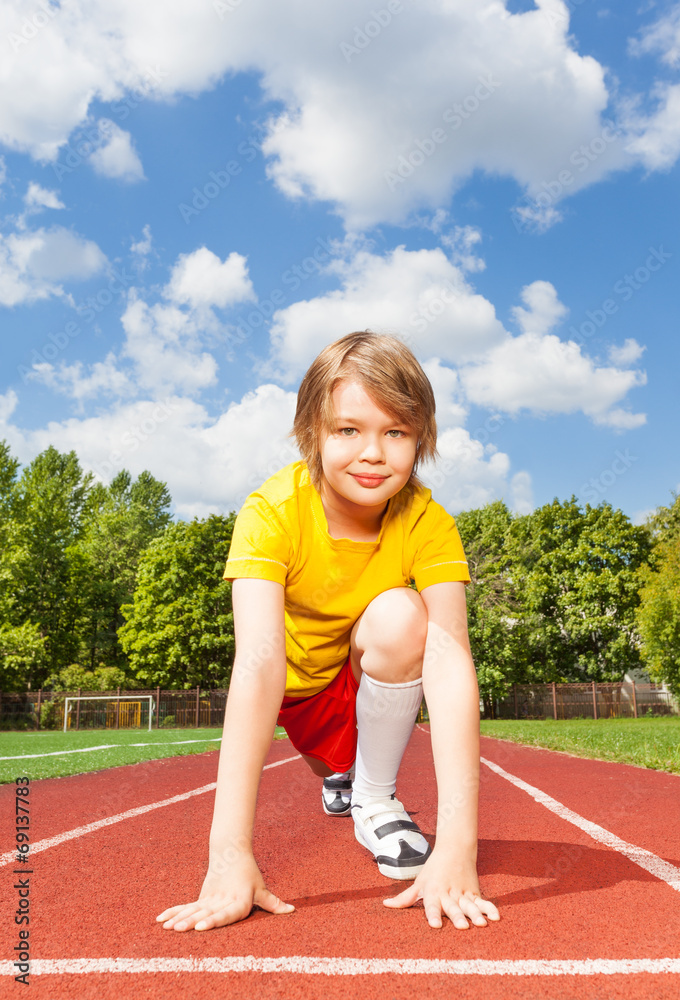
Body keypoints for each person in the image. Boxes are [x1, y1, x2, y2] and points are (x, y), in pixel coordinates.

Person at [157, 331, 500, 932]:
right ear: (309, 433)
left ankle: (374, 797)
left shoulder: (426, 521)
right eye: (348, 430)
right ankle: (341, 776)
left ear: (421, 440)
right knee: (330, 765)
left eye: (395, 432)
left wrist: (458, 846)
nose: (373, 453)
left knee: (404, 616)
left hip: (368, 665)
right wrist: (229, 856)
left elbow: (448, 659)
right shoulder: (272, 513)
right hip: (301, 687)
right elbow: (259, 663)